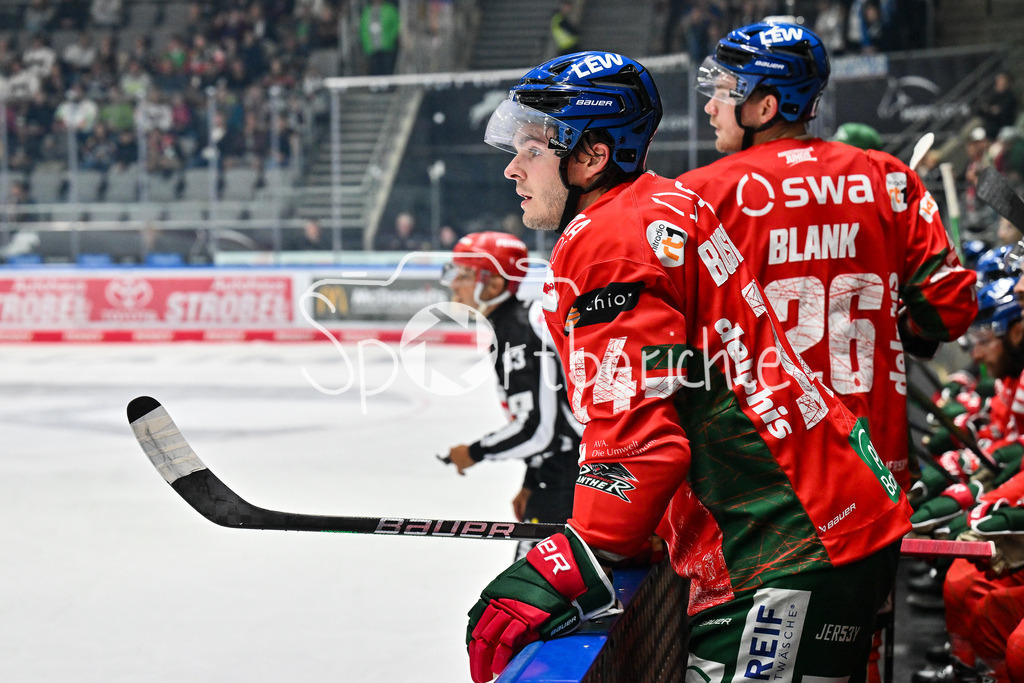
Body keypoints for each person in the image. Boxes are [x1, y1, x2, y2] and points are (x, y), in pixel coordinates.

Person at [465, 49, 912, 683]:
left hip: (779, 542)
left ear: (590, 156)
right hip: (817, 512)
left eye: (531, 149)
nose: (512, 168)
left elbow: (638, 439)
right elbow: (682, 385)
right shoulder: (662, 205)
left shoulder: (609, 242)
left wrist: (578, 553)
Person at [678, 21, 978, 494]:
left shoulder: (697, 196)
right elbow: (949, 309)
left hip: (756, 478)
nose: (711, 106)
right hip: (875, 472)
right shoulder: (890, 179)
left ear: (765, 106)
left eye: (723, 92)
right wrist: (907, 334)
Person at [440, 231, 583, 559]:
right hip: (560, 475)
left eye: (463, 274)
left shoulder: (517, 332)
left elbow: (538, 430)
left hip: (572, 482)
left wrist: (474, 452)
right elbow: (554, 419)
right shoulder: (511, 327)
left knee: (533, 591)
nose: (452, 284)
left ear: (492, 285)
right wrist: (533, 479)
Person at [910, 277, 1024, 683]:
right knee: (962, 578)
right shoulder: (1015, 376)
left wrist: (986, 506)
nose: (975, 351)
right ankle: (970, 668)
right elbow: (1009, 450)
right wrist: (977, 495)